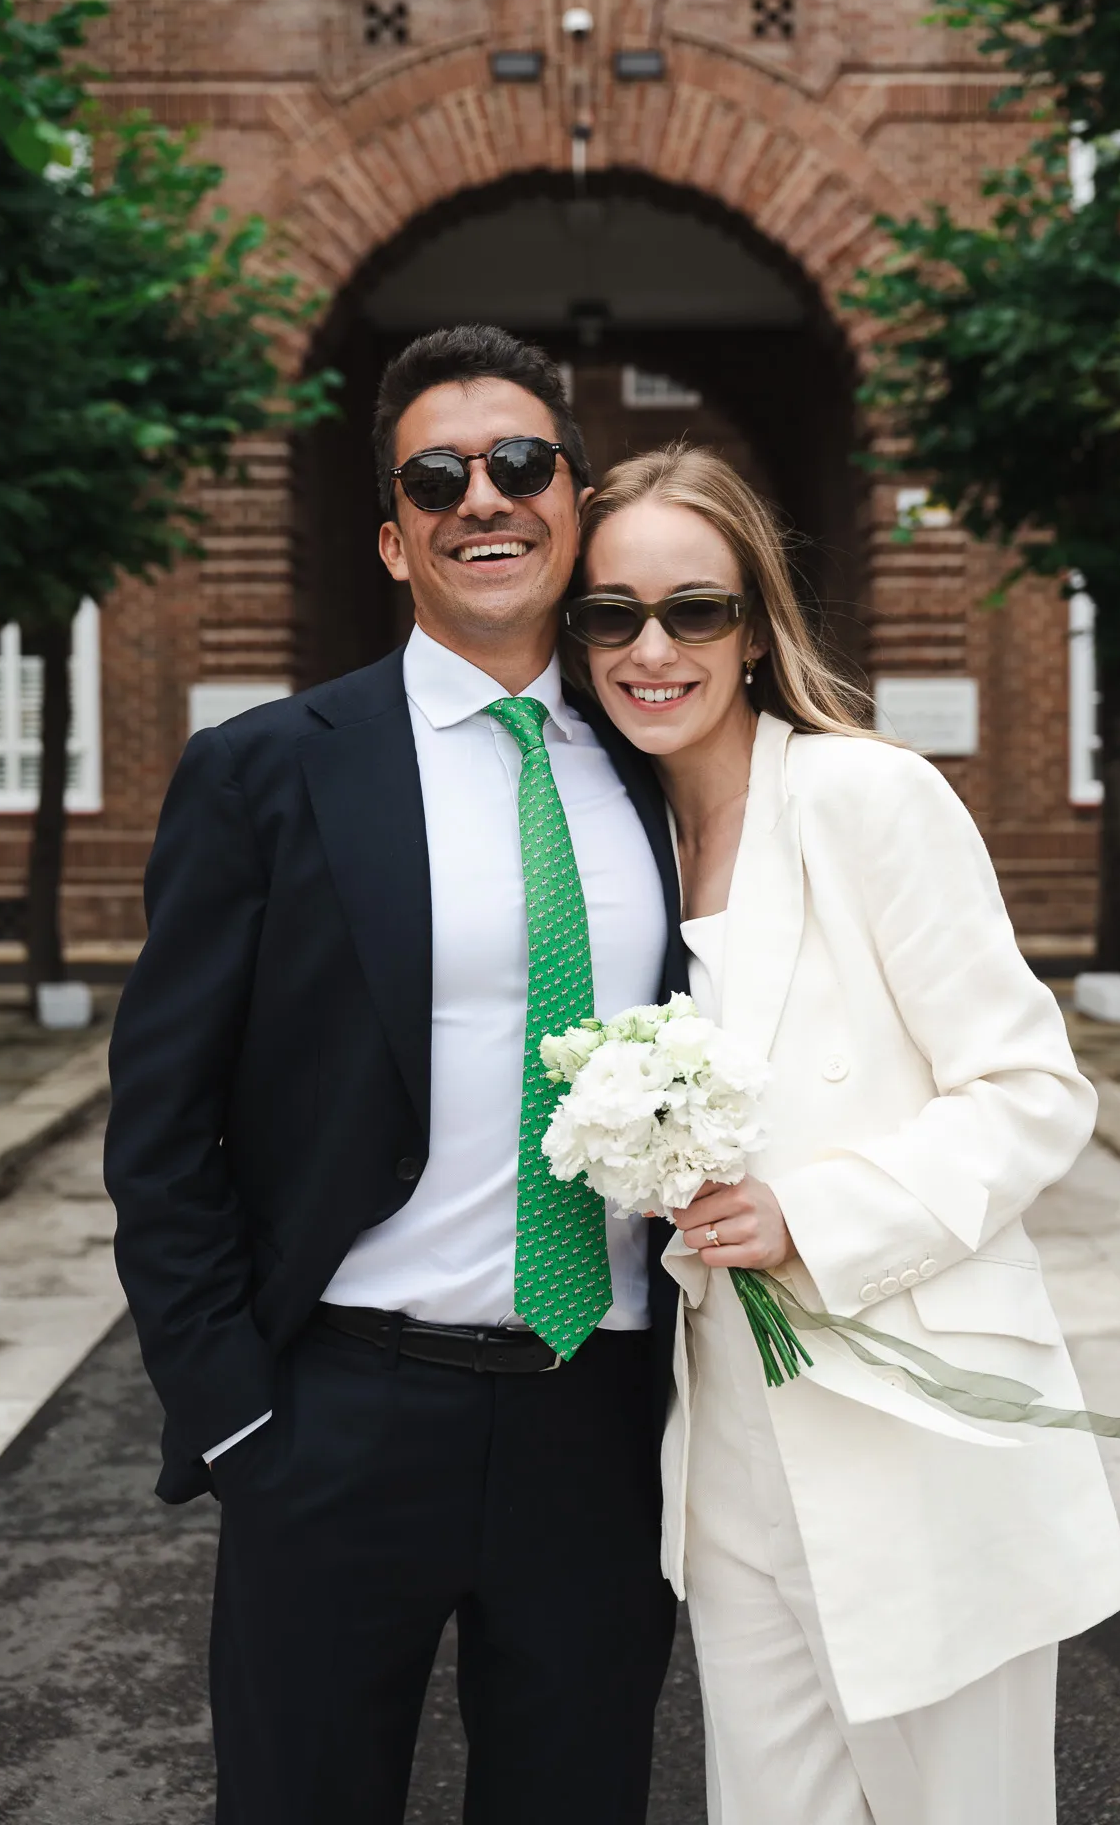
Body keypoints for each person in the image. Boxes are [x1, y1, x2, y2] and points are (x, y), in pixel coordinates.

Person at [103, 325, 685, 1825]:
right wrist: (233, 1416)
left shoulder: (665, 760)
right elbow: (161, 1129)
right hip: (342, 1410)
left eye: (517, 464)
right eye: (436, 477)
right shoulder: (271, 769)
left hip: (599, 1414)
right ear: (392, 537)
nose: (479, 497)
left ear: (576, 498)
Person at [564, 442, 1120, 1825]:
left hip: (906, 1422)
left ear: (753, 628)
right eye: (611, 614)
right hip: (727, 1452)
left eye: (692, 610)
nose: (652, 647)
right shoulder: (611, 836)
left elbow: (1030, 1088)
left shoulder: (864, 796)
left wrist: (814, 1217)